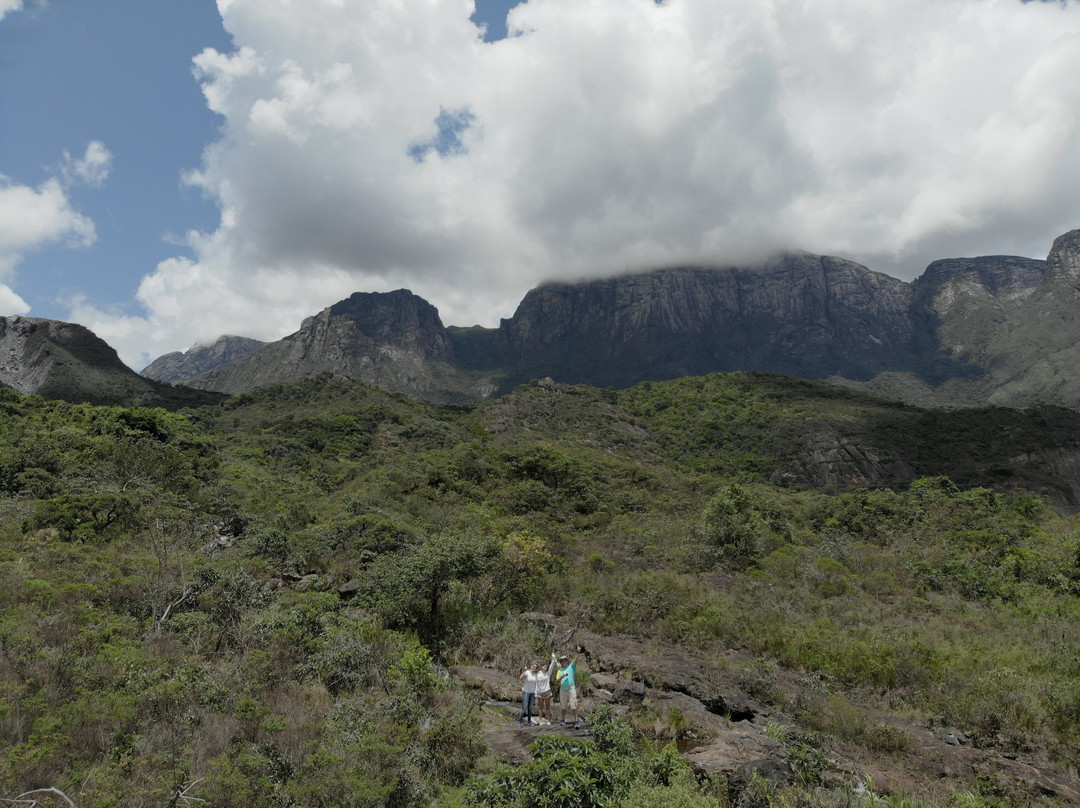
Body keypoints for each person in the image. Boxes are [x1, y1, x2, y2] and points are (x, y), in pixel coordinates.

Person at [556, 645, 583, 729]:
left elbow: (575, 659)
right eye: (562, 661)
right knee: (563, 706)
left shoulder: (571, 667)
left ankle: (576, 721)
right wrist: (562, 677)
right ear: (561, 662)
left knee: (573, 705)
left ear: (567, 661)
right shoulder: (560, 671)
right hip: (563, 690)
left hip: (571, 689)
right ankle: (563, 720)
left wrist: (578, 652)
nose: (563, 662)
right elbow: (557, 680)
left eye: (564, 660)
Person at [518, 661, 540, 726]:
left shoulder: (536, 675)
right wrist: (524, 671)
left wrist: (536, 693)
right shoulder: (527, 673)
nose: (534, 668)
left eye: (536, 667)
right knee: (524, 708)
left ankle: (529, 721)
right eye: (533, 666)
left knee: (530, 708)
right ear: (531, 666)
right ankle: (520, 721)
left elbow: (536, 685)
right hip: (526, 692)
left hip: (532, 693)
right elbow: (520, 678)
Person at [536, 654, 556, 725]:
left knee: (548, 707)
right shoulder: (538, 674)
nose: (545, 668)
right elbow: (536, 683)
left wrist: (553, 658)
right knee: (541, 707)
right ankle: (540, 720)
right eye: (544, 667)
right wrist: (536, 693)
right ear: (542, 667)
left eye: (546, 667)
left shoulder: (548, 673)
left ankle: (548, 720)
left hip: (547, 692)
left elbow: (552, 666)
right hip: (540, 693)